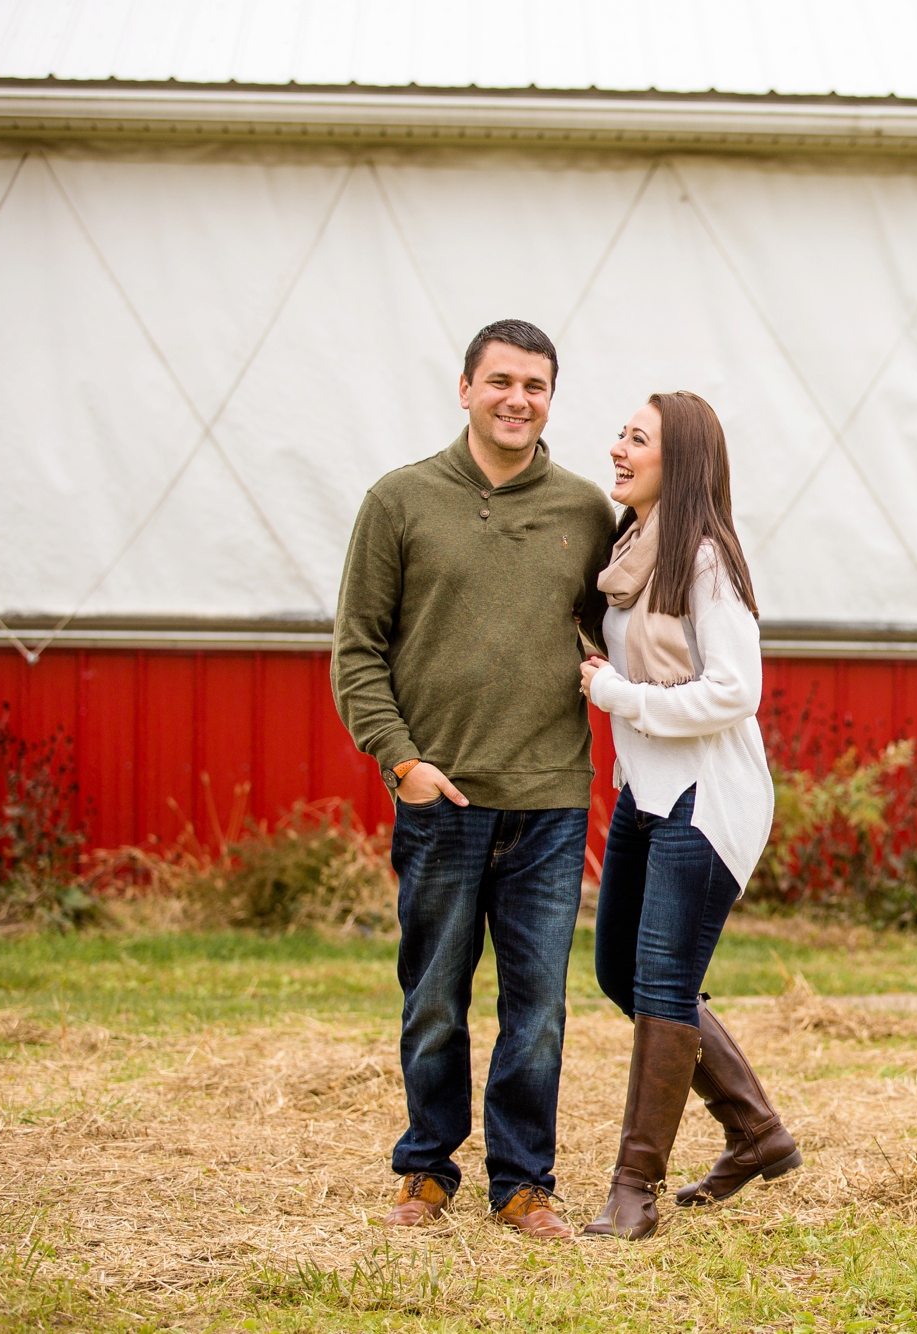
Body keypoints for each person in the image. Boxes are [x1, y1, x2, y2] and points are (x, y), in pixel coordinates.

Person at [331, 319, 618, 1240]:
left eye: (535, 386)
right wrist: (404, 764)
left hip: (549, 800)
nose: (517, 400)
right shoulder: (401, 501)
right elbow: (357, 652)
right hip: (440, 799)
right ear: (464, 389)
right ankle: (426, 1171)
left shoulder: (583, 511)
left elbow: (616, 633)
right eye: (500, 381)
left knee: (536, 1008)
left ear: (549, 399)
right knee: (434, 1002)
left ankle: (523, 1183)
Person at [577, 391, 796, 1241]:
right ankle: (756, 1132)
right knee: (615, 974)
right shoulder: (634, 546)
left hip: (710, 800)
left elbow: (736, 689)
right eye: (622, 434)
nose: (620, 449)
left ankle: (634, 1191)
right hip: (650, 794)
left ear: (684, 461)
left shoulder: (703, 557)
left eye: (640, 439)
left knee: (662, 985)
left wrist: (618, 693)